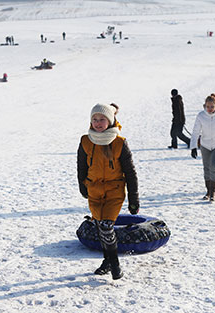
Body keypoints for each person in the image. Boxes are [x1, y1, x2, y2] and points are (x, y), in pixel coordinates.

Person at [77, 103, 139, 280]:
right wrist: (83, 186)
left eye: (102, 119)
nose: (97, 123)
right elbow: (81, 166)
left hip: (114, 191)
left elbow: (130, 172)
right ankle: (107, 261)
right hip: (94, 191)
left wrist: (133, 198)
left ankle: (115, 265)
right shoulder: (86, 141)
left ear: (110, 121)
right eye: (94, 119)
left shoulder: (119, 142)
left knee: (106, 226)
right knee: (99, 227)